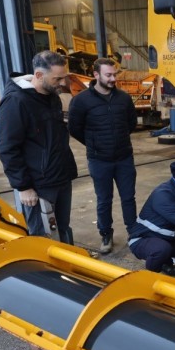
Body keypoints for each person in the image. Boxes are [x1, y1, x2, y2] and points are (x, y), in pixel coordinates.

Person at [0, 50, 78, 243]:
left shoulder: (52, 97)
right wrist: (23, 186)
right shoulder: (16, 102)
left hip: (60, 177)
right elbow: (7, 148)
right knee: (43, 237)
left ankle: (66, 269)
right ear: (39, 75)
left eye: (63, 78)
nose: (62, 83)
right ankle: (47, 273)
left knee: (62, 228)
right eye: (57, 79)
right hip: (39, 185)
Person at [68, 58, 138, 254]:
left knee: (128, 198)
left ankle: (134, 232)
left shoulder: (123, 98)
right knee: (104, 199)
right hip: (99, 161)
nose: (113, 78)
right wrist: (94, 144)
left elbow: (131, 123)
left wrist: (119, 140)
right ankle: (106, 234)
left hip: (124, 157)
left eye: (115, 74)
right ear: (96, 75)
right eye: (108, 75)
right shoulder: (81, 101)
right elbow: (74, 128)